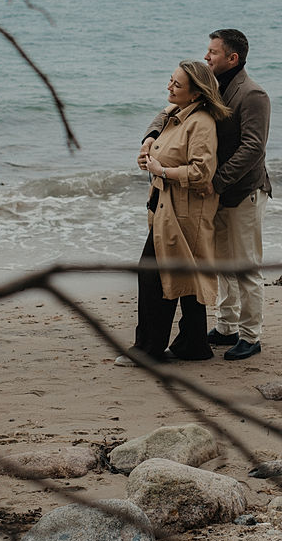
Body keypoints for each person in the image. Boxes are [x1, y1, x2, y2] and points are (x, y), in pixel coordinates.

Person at [139, 29, 271, 361]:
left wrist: (216, 181)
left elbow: (253, 148)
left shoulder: (252, 94)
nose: (206, 56)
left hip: (242, 191)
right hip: (211, 195)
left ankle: (251, 335)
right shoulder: (209, 85)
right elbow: (167, 111)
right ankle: (225, 327)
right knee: (220, 263)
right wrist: (151, 136)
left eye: (212, 52)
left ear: (232, 58)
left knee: (245, 266)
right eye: (207, 51)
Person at [115, 60, 231, 366]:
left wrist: (162, 170)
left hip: (184, 214)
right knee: (186, 278)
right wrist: (148, 145)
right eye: (170, 80)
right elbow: (161, 117)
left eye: (177, 85)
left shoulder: (201, 123)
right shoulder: (176, 113)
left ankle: (148, 350)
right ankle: (193, 345)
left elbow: (202, 172)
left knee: (153, 276)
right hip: (167, 208)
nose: (169, 87)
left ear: (196, 93)